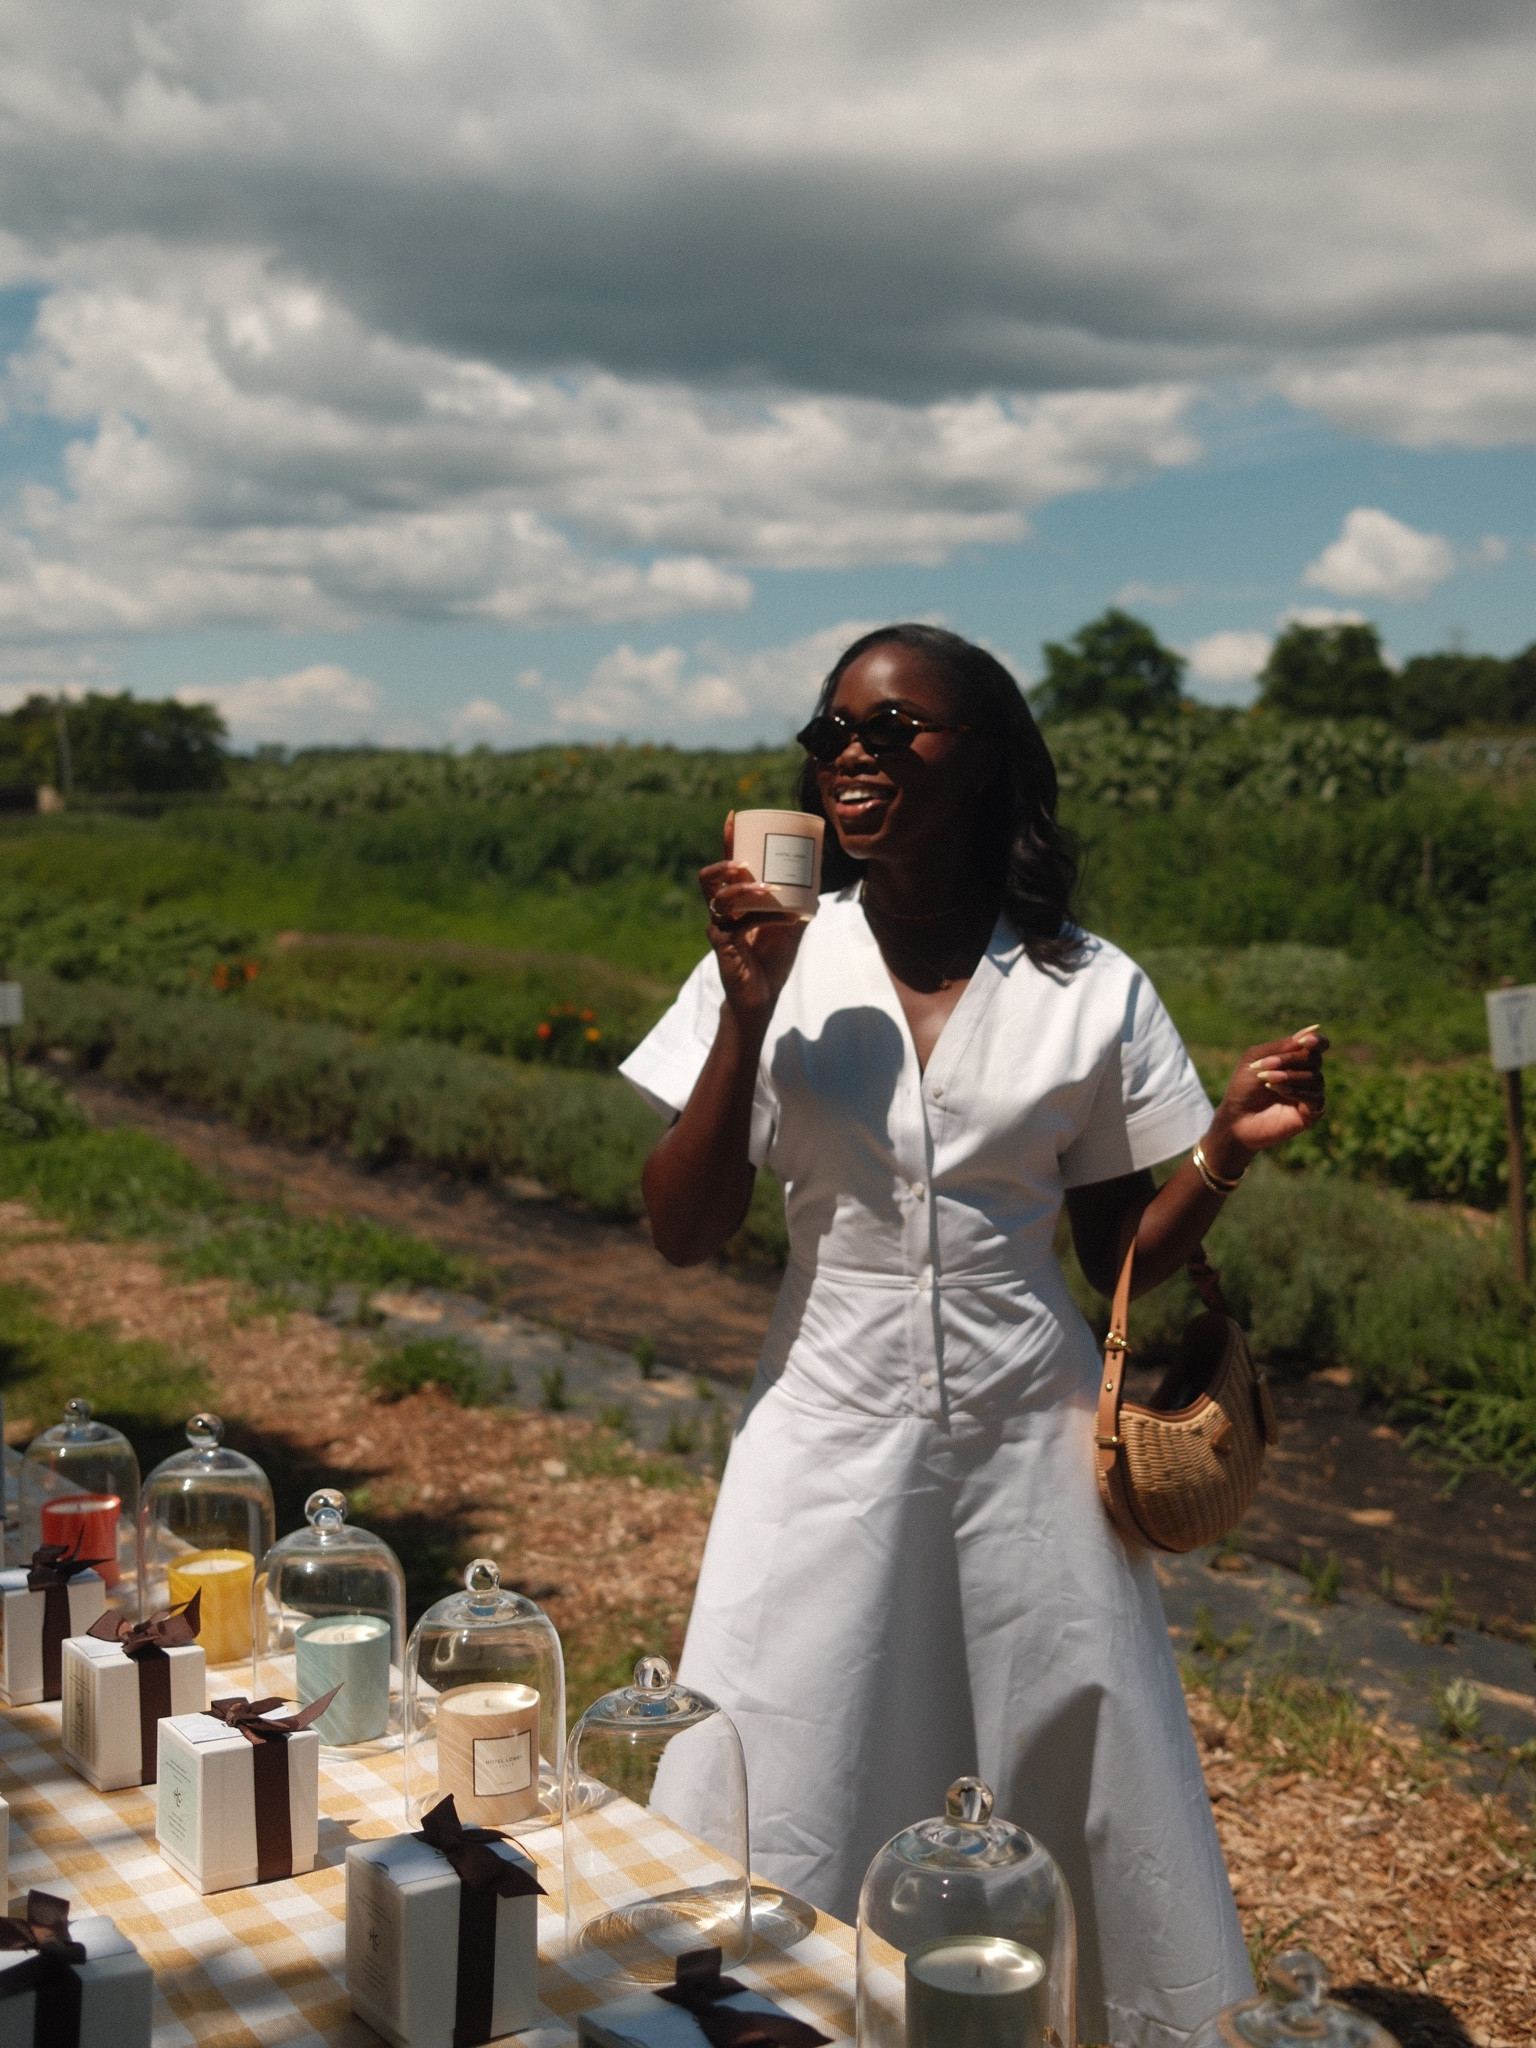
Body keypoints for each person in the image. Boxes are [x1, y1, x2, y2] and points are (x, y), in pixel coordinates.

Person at [619, 624, 1326, 2048]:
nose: (853, 758)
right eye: (833, 736)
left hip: (1031, 1437)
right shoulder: (770, 956)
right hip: (822, 1426)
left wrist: (1227, 1149)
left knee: (1064, 1768)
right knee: (792, 1747)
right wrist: (749, 1016)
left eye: (894, 730)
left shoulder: (1087, 984)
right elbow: (681, 1230)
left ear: (988, 758)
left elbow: (1115, 1253)